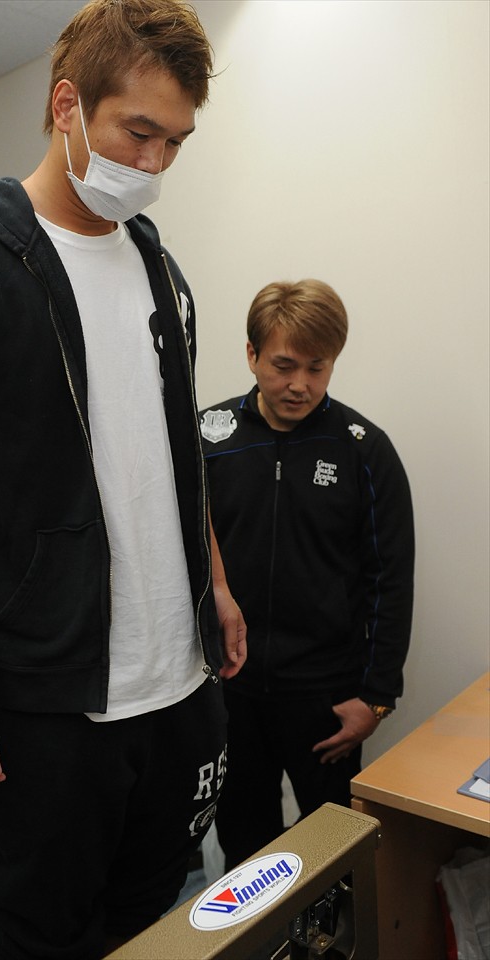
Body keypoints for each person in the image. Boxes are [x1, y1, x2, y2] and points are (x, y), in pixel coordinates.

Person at [0, 2, 246, 958]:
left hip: (179, 678)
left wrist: (213, 581)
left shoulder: (158, 267)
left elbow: (175, 450)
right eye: (139, 132)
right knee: (46, 932)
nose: (155, 163)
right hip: (50, 698)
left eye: (177, 142)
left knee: (153, 917)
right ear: (67, 104)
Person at [200, 279, 415, 870]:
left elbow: (391, 581)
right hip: (230, 689)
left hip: (326, 696)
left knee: (332, 854)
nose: (300, 384)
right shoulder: (207, 440)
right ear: (252, 355)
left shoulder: (363, 450)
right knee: (246, 847)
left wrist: (376, 697)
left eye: (317, 368)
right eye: (284, 365)